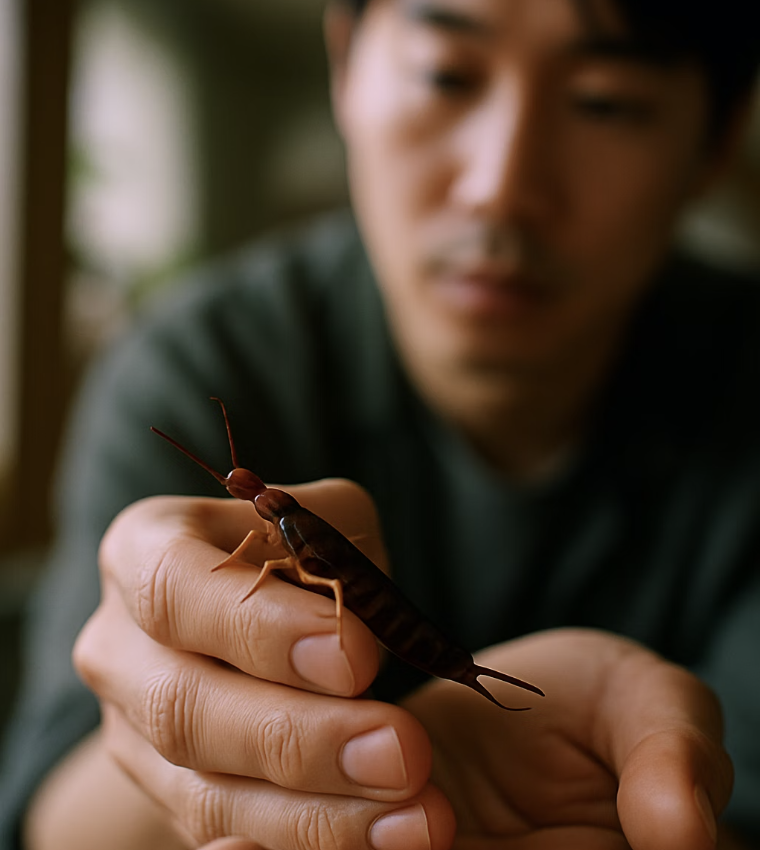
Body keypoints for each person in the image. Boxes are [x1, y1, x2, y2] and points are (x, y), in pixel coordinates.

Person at [1, 0, 759, 847]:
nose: (500, 187)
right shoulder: (195, 364)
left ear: (718, 139)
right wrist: (157, 738)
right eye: (446, 75)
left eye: (604, 100)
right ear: (346, 67)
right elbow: (48, 820)